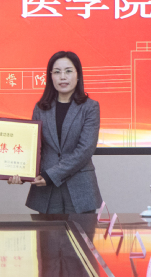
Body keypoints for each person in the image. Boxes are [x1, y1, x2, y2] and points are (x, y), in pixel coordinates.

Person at [9, 51, 102, 214]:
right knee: (47, 232)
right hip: (46, 192)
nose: (62, 77)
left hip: (79, 189)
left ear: (78, 75)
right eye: (57, 72)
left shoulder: (90, 107)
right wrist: (20, 173)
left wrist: (51, 175)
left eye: (68, 71)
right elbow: (34, 148)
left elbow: (85, 150)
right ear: (50, 76)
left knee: (81, 231)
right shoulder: (40, 108)